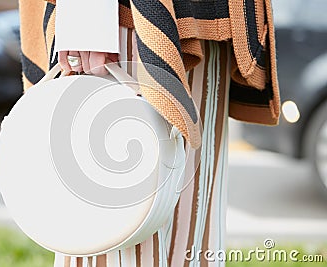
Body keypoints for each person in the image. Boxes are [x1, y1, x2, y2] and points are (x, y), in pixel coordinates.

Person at [18, 0, 280, 266]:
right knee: (114, 239)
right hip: (127, 23)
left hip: (202, 24)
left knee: (194, 241)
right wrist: (87, 18)